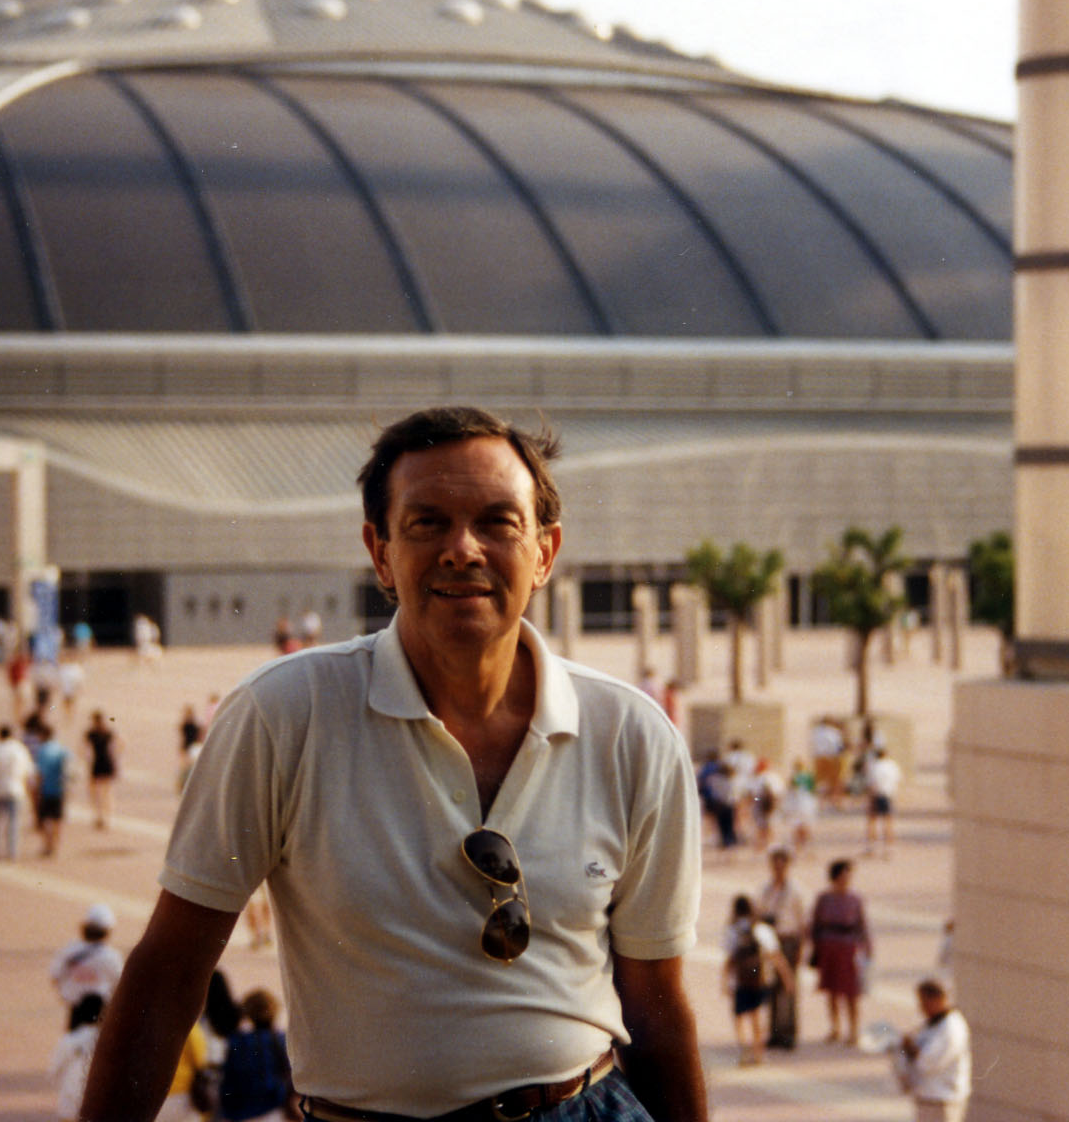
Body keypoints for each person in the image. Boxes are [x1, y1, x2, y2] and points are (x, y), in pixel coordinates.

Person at [80, 406, 705, 1122]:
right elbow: (168, 972)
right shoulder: (284, 714)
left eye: (497, 523)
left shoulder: (629, 735)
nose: (462, 549)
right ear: (379, 552)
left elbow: (656, 1003)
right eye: (426, 523)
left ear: (544, 551)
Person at [889, 978, 971, 1122]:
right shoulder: (931, 1025)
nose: (921, 1008)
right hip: (927, 1098)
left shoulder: (951, 1028)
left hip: (942, 1101)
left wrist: (909, 1047)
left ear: (939, 1000)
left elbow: (929, 1062)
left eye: (925, 1002)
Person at [811, 857, 871, 1046]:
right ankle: (835, 1027)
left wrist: (867, 947)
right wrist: (814, 947)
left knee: (851, 992)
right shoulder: (824, 899)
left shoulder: (855, 899)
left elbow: (862, 924)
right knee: (832, 991)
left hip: (848, 947)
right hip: (829, 946)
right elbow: (815, 923)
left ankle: (853, 1030)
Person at [757, 846, 809, 1050]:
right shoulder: (765, 889)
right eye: (775, 864)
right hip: (771, 939)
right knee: (771, 986)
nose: (778, 868)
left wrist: (801, 948)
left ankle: (789, 1032)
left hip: (789, 939)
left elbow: (803, 922)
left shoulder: (796, 890)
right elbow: (759, 913)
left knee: (788, 987)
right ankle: (775, 1032)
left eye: (782, 864)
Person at [218, 989, 296, 1122]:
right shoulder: (283, 1040)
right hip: (275, 1109)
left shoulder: (238, 1041)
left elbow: (229, 1081)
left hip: (243, 1112)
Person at [720, 894, 781, 1066]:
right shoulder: (762, 929)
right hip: (760, 979)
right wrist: (786, 977)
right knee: (757, 1017)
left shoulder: (732, 930)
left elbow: (729, 960)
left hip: (740, 981)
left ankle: (744, 1051)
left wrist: (724, 982)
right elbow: (775, 955)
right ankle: (759, 1053)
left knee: (739, 1017)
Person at [52, 904, 126, 1025]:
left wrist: (67, 993)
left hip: (76, 1012)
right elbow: (119, 983)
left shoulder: (70, 950)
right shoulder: (111, 956)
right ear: (107, 931)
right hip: (101, 1014)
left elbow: (55, 976)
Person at [0, 724, 36, 861]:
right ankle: (12, 851)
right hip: (16, 789)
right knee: (14, 822)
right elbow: (29, 772)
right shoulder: (20, 749)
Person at [53, 994, 107, 1122]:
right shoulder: (106, 1040)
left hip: (69, 1105)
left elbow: (55, 1070)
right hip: (97, 1105)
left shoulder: (69, 1039)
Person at [34, 726, 73, 858]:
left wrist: (37, 790)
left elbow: (40, 773)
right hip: (60, 789)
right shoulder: (61, 749)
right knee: (58, 820)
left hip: (46, 789)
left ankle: (48, 845)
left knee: (46, 819)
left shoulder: (42, 750)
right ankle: (56, 846)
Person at [84, 709, 122, 830]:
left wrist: (87, 761)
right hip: (107, 762)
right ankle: (106, 817)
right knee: (106, 793)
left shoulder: (91, 733)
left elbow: (84, 750)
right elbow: (121, 744)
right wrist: (116, 757)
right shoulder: (108, 732)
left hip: (97, 763)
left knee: (97, 793)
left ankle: (101, 815)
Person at [865, 748, 903, 858]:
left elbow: (872, 783)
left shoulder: (875, 767)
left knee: (872, 821)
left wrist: (870, 798)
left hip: (877, 795)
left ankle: (872, 847)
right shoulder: (892, 766)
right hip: (889, 795)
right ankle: (889, 848)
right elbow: (897, 779)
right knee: (888, 822)